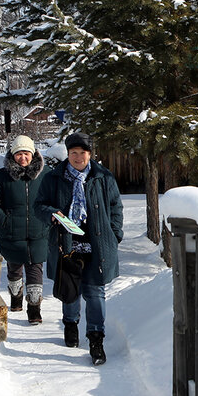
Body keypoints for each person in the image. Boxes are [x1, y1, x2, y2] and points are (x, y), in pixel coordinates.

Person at [35, 132, 123, 365]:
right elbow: (39, 206)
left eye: (82, 153)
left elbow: (116, 206)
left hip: (97, 245)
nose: (77, 157)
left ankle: (96, 339)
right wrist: (52, 214)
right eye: (73, 153)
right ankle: (71, 324)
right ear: (68, 154)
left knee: (95, 293)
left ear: (90, 154)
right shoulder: (54, 178)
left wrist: (115, 234)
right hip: (67, 244)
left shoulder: (103, 177)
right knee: (70, 288)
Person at [0, 135, 50, 324]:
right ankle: (16, 298)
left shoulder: (45, 175)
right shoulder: (2, 175)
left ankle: (34, 309)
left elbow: (55, 199)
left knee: (35, 268)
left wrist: (48, 219)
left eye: (26, 153)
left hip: (38, 231)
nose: (23, 158)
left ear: (33, 154)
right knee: (14, 268)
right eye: (19, 154)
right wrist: (4, 221)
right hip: (12, 232)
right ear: (13, 156)